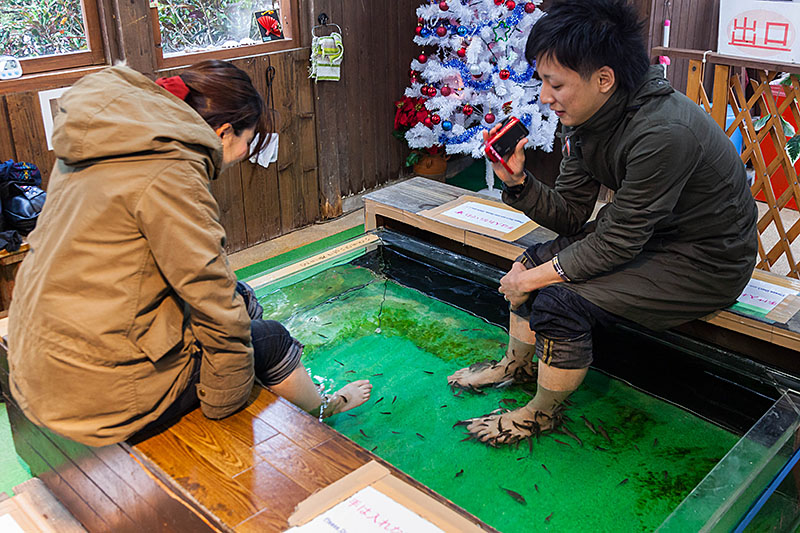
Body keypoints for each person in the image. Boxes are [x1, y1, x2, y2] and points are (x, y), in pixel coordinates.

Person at [7, 60, 371, 447]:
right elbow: (216, 311)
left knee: (242, 296)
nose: (246, 152)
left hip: (39, 362)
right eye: (248, 141)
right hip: (98, 397)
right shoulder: (172, 175)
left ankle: (275, 385)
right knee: (269, 338)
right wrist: (224, 403)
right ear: (223, 131)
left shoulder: (103, 141)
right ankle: (326, 408)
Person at [448, 0, 757, 446]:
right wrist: (518, 183)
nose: (544, 98)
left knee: (558, 300)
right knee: (531, 259)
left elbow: (616, 242)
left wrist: (534, 281)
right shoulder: (590, 120)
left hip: (706, 261)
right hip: (650, 238)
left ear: (604, 79)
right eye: (542, 82)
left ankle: (542, 413)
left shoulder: (663, 132)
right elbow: (572, 214)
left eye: (555, 84)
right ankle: (516, 366)